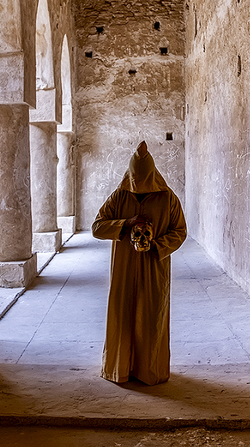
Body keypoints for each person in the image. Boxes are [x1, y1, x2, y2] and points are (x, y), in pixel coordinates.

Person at [91, 140, 187, 385]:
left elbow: (180, 231)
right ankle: (119, 368)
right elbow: (97, 227)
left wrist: (156, 244)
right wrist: (126, 223)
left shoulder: (168, 200)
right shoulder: (119, 197)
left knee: (151, 317)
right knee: (121, 315)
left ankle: (149, 370)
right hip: (124, 268)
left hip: (154, 267)